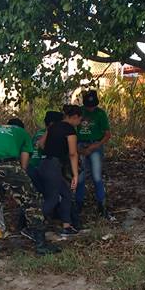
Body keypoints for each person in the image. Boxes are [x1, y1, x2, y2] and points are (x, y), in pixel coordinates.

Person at [0, 118, 59, 268]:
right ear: (21, 127)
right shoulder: (22, 133)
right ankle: (41, 245)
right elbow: (25, 161)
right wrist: (20, 184)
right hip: (8, 165)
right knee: (31, 201)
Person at [43, 105, 83, 235]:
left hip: (45, 163)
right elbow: (73, 153)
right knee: (53, 198)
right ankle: (33, 223)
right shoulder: (69, 129)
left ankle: (67, 225)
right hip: (54, 165)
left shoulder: (53, 126)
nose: (79, 123)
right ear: (75, 117)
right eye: (80, 120)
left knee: (66, 194)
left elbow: (41, 144)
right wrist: (75, 175)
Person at [75, 89, 113, 219]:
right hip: (80, 144)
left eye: (93, 106)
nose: (91, 109)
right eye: (88, 106)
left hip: (95, 144)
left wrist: (96, 145)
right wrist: (78, 148)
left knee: (97, 177)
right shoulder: (79, 112)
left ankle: (101, 205)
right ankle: (78, 204)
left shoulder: (100, 114)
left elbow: (107, 134)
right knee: (80, 177)